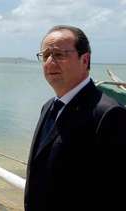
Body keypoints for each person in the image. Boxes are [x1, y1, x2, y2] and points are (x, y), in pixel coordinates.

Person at [25, 25, 126, 211]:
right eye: (45, 55)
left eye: (59, 54)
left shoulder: (109, 114)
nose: (50, 62)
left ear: (85, 59)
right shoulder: (48, 107)